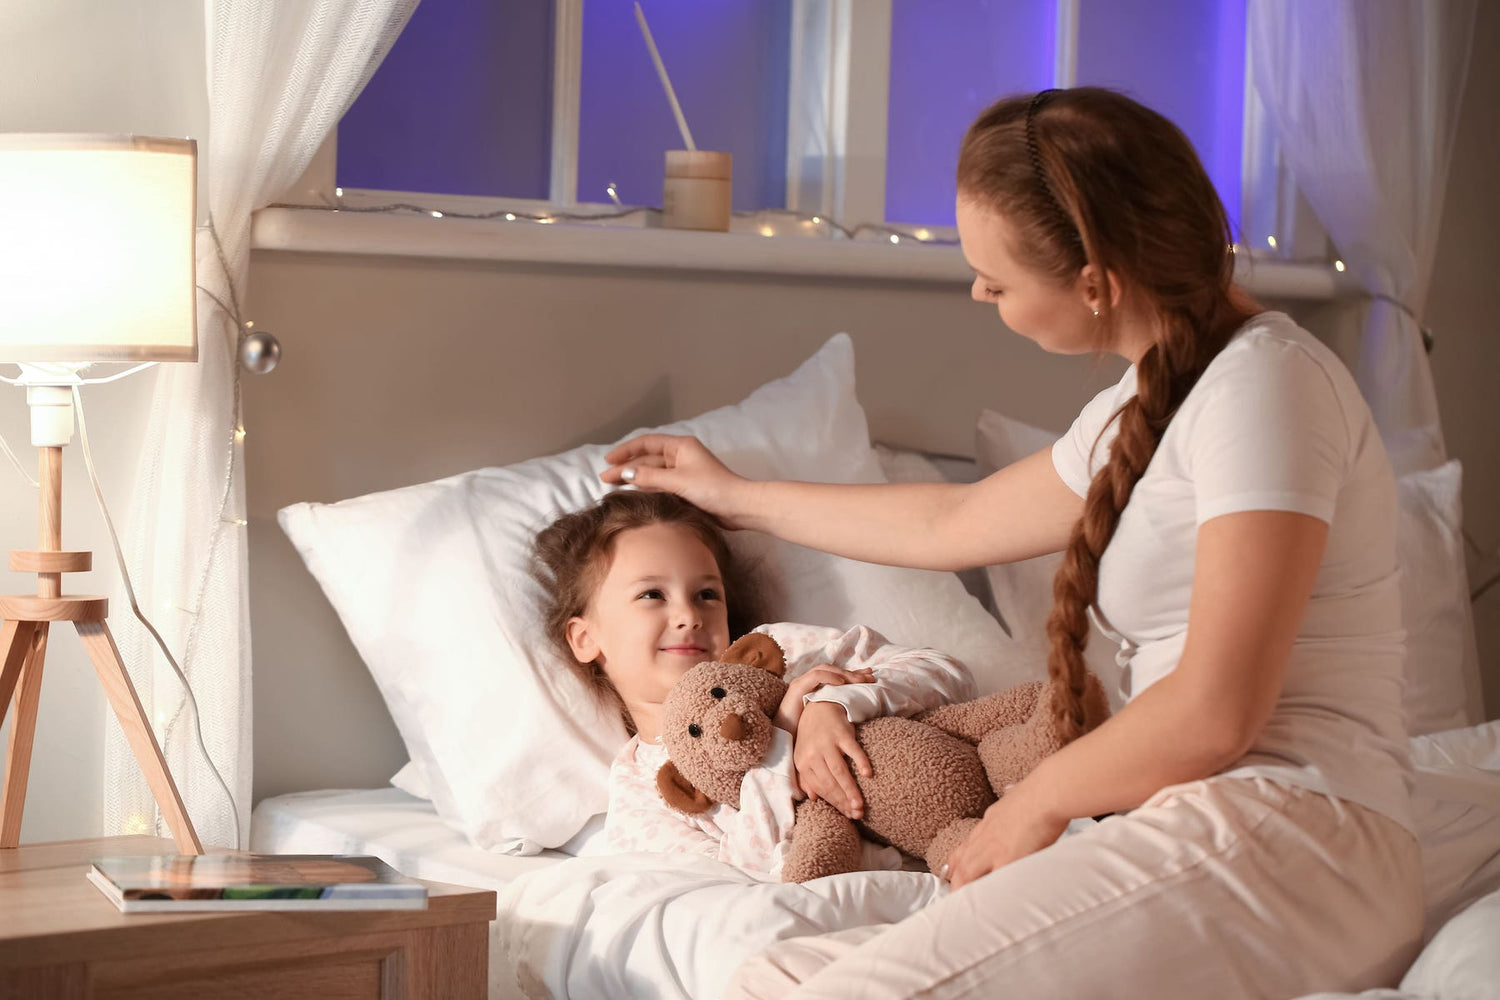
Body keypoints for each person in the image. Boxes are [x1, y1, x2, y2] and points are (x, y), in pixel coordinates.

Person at [600, 87, 1423, 997]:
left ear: (1095, 281)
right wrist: (735, 495)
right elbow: (952, 524)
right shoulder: (1148, 405)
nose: (979, 291)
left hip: (1295, 835)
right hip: (1191, 821)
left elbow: (1215, 709)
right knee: (778, 975)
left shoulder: (1265, 387)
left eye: (996, 280)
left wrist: (1034, 805)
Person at [532, 490, 975, 877]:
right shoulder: (643, 792)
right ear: (586, 638)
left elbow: (946, 672)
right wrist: (779, 738)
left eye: (707, 594)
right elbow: (739, 881)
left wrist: (834, 705)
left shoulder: (781, 653)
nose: (689, 615)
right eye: (652, 595)